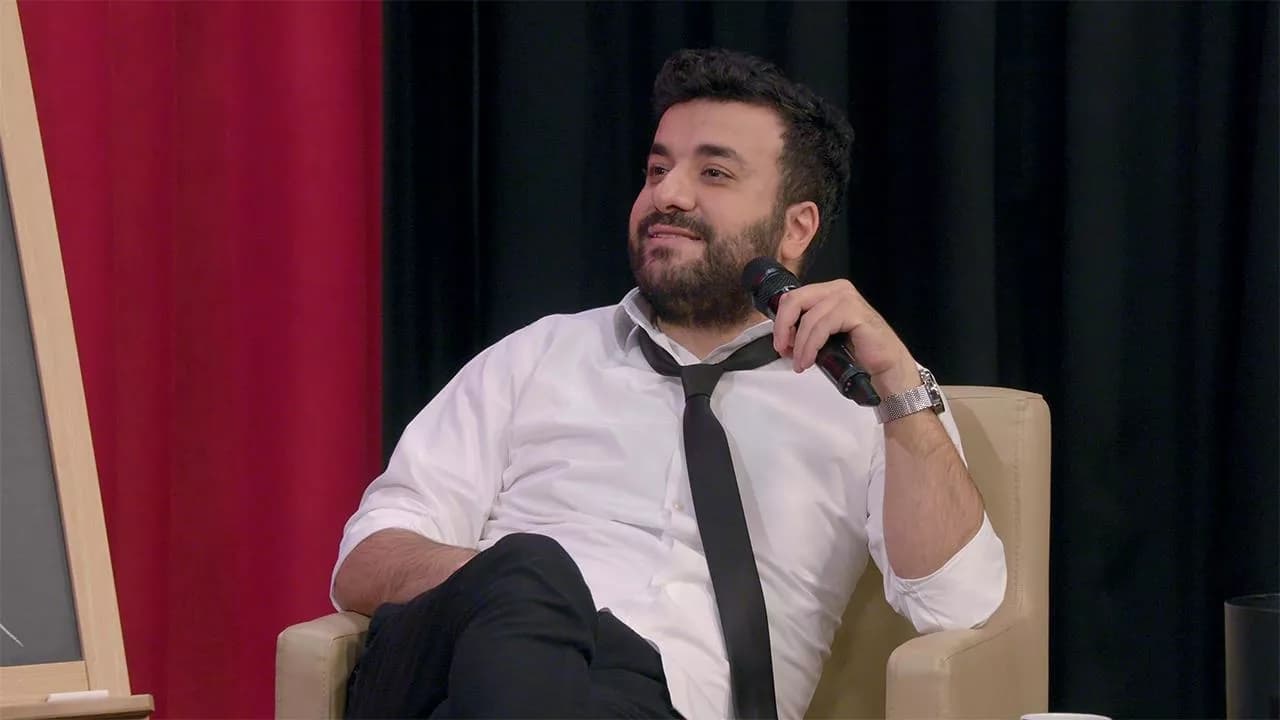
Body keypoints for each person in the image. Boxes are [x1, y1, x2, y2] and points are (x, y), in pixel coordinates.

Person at [332, 48, 1006, 720]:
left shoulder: (869, 397)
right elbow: (367, 558)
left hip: (656, 706)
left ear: (796, 227)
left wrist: (898, 386)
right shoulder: (538, 356)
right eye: (657, 169)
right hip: (467, 661)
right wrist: (525, 592)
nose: (667, 195)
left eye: (713, 172)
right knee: (533, 572)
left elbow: (957, 603)